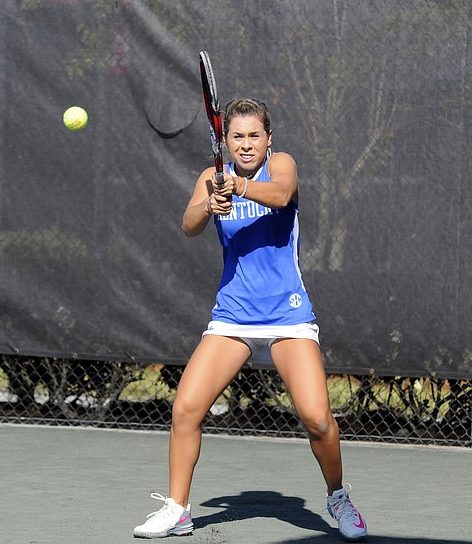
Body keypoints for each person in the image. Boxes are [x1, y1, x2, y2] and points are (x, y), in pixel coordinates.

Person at [133, 98, 367, 542]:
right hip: (233, 317)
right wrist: (209, 206)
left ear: (268, 138)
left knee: (317, 418)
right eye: (237, 137)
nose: (246, 144)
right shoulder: (211, 177)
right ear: (224, 140)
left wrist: (238, 190)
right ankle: (178, 510)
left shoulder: (281, 165)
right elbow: (188, 224)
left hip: (287, 316)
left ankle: (338, 498)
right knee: (185, 408)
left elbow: (281, 195)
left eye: (254, 135)